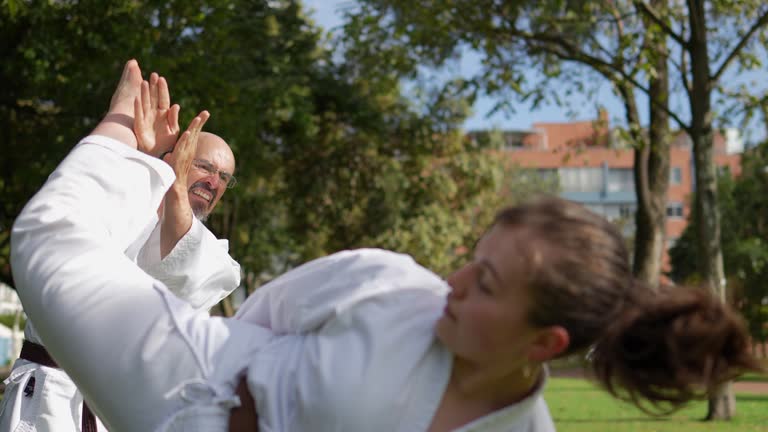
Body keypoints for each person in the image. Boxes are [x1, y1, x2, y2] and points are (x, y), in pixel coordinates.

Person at [9, 60, 762, 432]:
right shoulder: (391, 285)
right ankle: (122, 140)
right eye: (475, 256)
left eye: (488, 285)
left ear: (544, 343)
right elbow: (262, 314)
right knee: (50, 242)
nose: (456, 281)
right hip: (203, 390)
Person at [1, 65, 240, 432]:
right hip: (48, 400)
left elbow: (181, 282)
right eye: (204, 165)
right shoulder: (118, 207)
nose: (213, 181)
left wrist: (173, 185)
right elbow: (60, 223)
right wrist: (128, 148)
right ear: (172, 158)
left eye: (224, 178)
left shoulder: (214, 257)